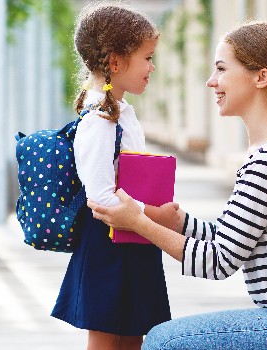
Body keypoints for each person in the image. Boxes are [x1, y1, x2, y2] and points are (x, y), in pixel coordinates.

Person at [88, 21, 267, 350]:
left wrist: (139, 223)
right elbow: (233, 237)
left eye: (221, 69)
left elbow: (218, 262)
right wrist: (180, 222)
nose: (211, 81)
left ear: (261, 77)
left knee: (164, 341)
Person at [51, 3, 179, 350]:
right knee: (107, 335)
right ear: (115, 62)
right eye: (147, 58)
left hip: (133, 239)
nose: (152, 67)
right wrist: (158, 217)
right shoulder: (99, 122)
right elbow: (101, 200)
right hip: (109, 243)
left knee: (133, 332)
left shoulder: (120, 113)